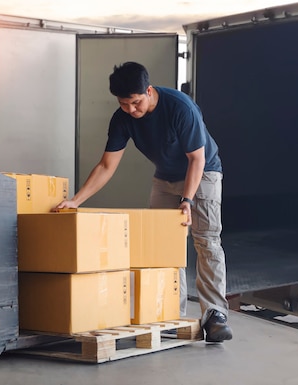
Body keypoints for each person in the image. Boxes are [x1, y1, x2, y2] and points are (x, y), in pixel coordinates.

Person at [54, 61, 232, 343]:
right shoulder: (122, 118)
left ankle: (215, 314)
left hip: (203, 172)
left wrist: (187, 199)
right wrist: (76, 200)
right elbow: (106, 165)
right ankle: (170, 312)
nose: (131, 110)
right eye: (124, 104)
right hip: (165, 176)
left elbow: (196, 158)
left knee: (206, 240)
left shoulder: (179, 108)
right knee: (162, 245)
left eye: (136, 103)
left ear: (148, 91)